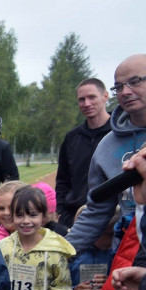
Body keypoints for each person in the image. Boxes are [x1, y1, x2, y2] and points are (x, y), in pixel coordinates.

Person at [69, 54, 146, 255]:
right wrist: (60, 252)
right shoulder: (106, 147)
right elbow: (96, 211)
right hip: (128, 254)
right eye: (118, 87)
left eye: (135, 82)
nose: (125, 92)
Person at [0, 185, 75, 290]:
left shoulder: (54, 252)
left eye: (33, 215)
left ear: (44, 216)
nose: (26, 220)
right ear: (12, 216)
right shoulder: (3, 247)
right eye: (19, 215)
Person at [55, 79, 112, 229]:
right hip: (75, 217)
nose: (86, 104)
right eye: (81, 99)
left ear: (105, 96)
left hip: (112, 217)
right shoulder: (72, 138)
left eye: (92, 97)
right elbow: (62, 179)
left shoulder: (119, 133)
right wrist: (61, 212)